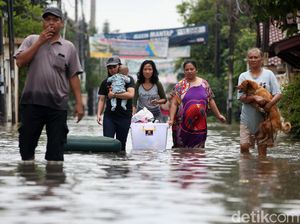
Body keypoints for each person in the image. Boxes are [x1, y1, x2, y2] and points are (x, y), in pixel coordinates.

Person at [14, 7, 84, 162]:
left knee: (56, 154)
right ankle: (29, 181)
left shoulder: (69, 47)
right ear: (43, 23)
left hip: (58, 105)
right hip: (32, 103)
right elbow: (20, 62)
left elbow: (73, 76)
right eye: (47, 19)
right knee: (26, 150)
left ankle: (53, 183)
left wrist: (80, 103)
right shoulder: (31, 40)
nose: (51, 23)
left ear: (61, 24)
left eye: (55, 20)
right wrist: (40, 41)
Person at [168, 60, 226, 148]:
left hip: (200, 125)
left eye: (192, 69)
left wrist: (218, 115)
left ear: (196, 70)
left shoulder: (204, 84)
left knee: (198, 151)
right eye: (187, 69)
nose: (189, 71)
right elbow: (174, 104)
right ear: (184, 71)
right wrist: (171, 119)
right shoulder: (179, 86)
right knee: (181, 151)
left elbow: (210, 100)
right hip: (181, 125)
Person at [237, 47, 282, 156]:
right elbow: (241, 97)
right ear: (247, 60)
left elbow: (278, 94)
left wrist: (269, 105)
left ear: (261, 59)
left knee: (262, 152)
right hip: (247, 119)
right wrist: (254, 98)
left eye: (255, 57)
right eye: (250, 57)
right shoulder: (243, 76)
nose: (253, 60)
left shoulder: (269, 74)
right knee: (244, 147)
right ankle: (247, 170)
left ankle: (261, 171)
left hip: (264, 120)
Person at [97, 56, 135, 151]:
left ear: (119, 66)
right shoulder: (106, 82)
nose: (112, 69)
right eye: (110, 68)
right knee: (107, 143)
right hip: (110, 116)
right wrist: (98, 114)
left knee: (121, 146)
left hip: (125, 116)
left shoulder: (128, 80)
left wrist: (113, 95)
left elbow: (130, 95)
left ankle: (120, 165)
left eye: (114, 67)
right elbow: (102, 100)